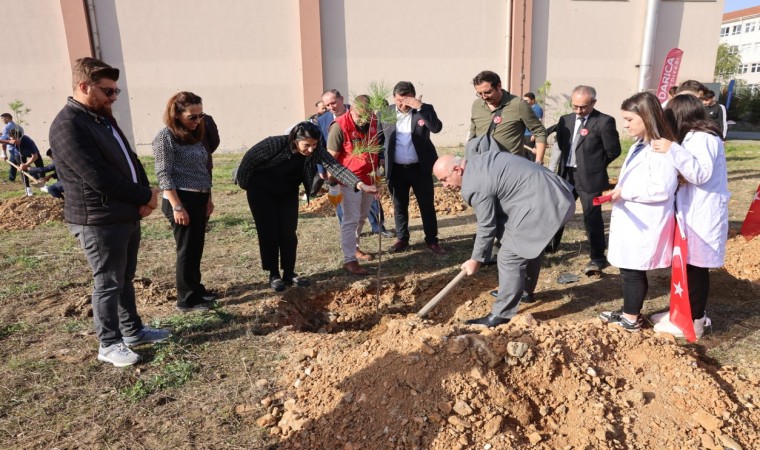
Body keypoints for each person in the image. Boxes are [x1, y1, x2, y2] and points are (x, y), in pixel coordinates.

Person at [49, 57, 169, 367]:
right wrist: (145, 196)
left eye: (116, 91)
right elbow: (98, 177)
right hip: (98, 220)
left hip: (123, 213)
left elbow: (130, 159)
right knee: (108, 281)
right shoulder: (68, 125)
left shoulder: (101, 118)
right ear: (83, 86)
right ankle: (109, 343)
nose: (113, 98)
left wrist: (146, 194)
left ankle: (132, 331)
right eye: (108, 91)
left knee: (125, 277)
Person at [433, 151, 575, 327]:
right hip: (554, 193)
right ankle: (524, 292)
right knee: (526, 245)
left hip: (544, 203)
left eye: (444, 179)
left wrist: (476, 259)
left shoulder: (474, 185)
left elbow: (486, 226)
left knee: (509, 256)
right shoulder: (478, 162)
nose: (444, 186)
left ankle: (501, 315)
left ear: (457, 169)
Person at [236, 121, 377, 290]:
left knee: (288, 231)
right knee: (269, 231)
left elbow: (337, 168)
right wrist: (247, 186)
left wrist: (360, 185)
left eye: (315, 145)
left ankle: (289, 273)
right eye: (307, 145)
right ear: (295, 139)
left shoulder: (315, 151)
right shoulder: (274, 144)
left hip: (287, 191)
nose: (311, 149)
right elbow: (248, 162)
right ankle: (273, 274)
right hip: (261, 191)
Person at [648, 94, 730, 339]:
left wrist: (672, 149)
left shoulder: (704, 138)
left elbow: (700, 174)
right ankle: (681, 313)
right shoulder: (693, 138)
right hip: (692, 212)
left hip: (703, 215)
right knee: (686, 264)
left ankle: (694, 320)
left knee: (696, 267)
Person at [599, 92, 679, 332]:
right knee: (628, 268)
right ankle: (628, 312)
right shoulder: (641, 145)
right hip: (634, 218)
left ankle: (631, 319)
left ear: (646, 117)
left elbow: (662, 189)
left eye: (630, 119)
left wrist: (625, 192)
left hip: (646, 222)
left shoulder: (660, 148)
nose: (625, 125)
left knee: (633, 270)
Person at [153, 92, 217, 313]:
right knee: (186, 250)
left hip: (199, 197)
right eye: (192, 116)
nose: (197, 121)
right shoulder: (166, 137)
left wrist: (207, 197)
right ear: (177, 114)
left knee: (196, 247)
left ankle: (196, 289)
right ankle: (186, 300)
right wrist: (177, 205)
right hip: (181, 198)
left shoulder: (195, 134)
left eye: (201, 116)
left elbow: (203, 168)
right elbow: (163, 174)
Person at [549, 86, 622, 275]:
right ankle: (550, 246)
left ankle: (597, 257)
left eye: (583, 107)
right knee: (557, 212)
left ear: (593, 103)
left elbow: (614, 150)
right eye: (575, 106)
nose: (579, 110)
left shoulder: (604, 121)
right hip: (566, 176)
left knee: (591, 218)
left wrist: (595, 165)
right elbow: (563, 146)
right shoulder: (565, 120)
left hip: (590, 178)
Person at [382, 81, 445, 255]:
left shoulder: (423, 109)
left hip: (420, 168)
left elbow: (436, 128)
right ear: (394, 98)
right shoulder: (385, 113)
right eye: (399, 100)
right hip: (396, 169)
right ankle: (402, 238)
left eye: (407, 100)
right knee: (399, 205)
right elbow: (379, 139)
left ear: (413, 97)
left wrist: (421, 107)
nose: (402, 104)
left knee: (426, 205)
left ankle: (432, 240)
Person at [319, 89, 390, 235]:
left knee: (365, 210)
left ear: (342, 99)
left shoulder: (370, 120)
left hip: (368, 173)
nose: (331, 107)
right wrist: (325, 173)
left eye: (333, 103)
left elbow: (378, 142)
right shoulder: (327, 122)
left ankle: (378, 227)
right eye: (327, 105)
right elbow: (323, 150)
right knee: (349, 216)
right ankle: (352, 245)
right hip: (345, 176)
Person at [326, 95, 382, 275]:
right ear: (352, 110)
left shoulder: (372, 122)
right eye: (358, 116)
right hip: (348, 179)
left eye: (365, 116)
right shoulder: (339, 126)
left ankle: (355, 248)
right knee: (350, 219)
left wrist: (378, 178)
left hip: (368, 178)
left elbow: (376, 152)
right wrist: (331, 179)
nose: (362, 120)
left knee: (362, 217)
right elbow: (330, 158)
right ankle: (349, 260)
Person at [469, 70, 546, 162]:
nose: (484, 97)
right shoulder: (477, 105)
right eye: (479, 94)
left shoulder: (518, 104)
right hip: (484, 165)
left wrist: (538, 162)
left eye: (488, 92)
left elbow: (540, 132)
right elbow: (473, 134)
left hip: (511, 167)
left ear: (499, 86)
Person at [7, 128, 40, 196]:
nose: (11, 141)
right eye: (10, 139)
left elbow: (35, 156)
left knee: (40, 167)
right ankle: (27, 189)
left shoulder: (27, 141)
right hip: (18, 154)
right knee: (23, 170)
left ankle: (42, 183)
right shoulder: (9, 139)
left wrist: (26, 164)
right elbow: (2, 142)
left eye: (13, 140)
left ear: (18, 138)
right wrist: (3, 153)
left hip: (33, 153)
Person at [1, 112, 24, 182]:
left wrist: (3, 154)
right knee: (13, 163)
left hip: (13, 149)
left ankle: (35, 175)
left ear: (7, 118)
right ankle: (11, 178)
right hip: (20, 148)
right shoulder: (18, 126)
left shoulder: (6, 127)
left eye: (2, 118)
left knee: (21, 165)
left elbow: (3, 141)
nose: (1, 120)